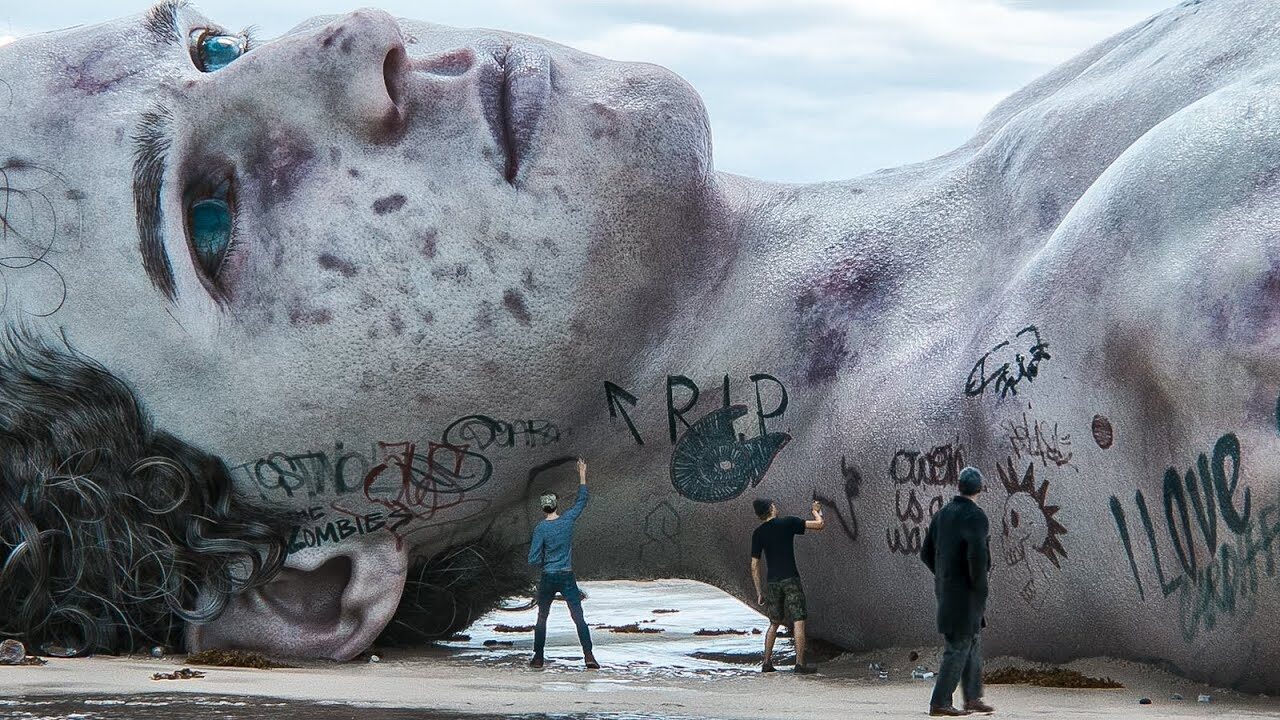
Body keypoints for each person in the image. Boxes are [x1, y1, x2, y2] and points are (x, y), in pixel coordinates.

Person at [921, 467, 995, 716]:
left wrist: (944, 576)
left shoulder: (942, 514)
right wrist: (979, 588)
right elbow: (978, 555)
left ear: (960, 486)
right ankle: (940, 702)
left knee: (971, 639)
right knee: (959, 645)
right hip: (967, 592)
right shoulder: (975, 516)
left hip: (948, 590)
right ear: (980, 489)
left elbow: (925, 553)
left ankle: (972, 698)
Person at [527, 458, 597, 670]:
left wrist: (544, 562)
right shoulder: (566, 521)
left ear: (543, 508)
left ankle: (538, 658)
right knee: (578, 617)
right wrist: (582, 474)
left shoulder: (540, 529)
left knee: (542, 618)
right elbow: (582, 500)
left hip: (548, 576)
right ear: (556, 505)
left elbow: (532, 559)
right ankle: (589, 656)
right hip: (567, 575)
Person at [750, 498, 824, 674]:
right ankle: (799, 664)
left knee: (774, 623)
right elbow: (819, 525)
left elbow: (754, 565)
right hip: (790, 578)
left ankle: (767, 663)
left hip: (773, 582)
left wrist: (759, 591)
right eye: (774, 505)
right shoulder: (788, 523)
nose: (776, 507)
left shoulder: (758, 533)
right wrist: (816, 511)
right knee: (798, 619)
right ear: (771, 509)